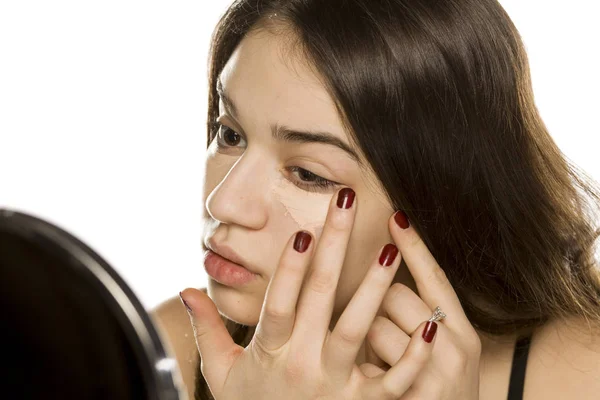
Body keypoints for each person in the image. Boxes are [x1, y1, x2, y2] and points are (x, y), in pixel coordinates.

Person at [150, 0, 600, 399]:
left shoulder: (584, 371)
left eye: (307, 174)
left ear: (438, 203)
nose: (223, 202)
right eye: (230, 134)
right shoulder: (157, 353)